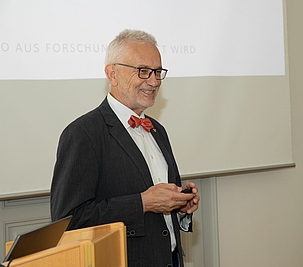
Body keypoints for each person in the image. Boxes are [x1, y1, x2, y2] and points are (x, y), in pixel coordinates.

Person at [50, 29, 200, 267]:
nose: (154, 81)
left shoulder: (158, 130)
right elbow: (69, 221)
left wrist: (179, 208)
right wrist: (143, 202)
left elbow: (160, 217)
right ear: (113, 73)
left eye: (157, 72)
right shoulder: (83, 133)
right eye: (143, 71)